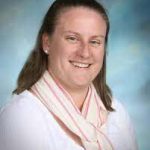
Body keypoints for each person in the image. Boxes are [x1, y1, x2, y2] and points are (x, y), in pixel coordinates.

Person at [0, 0, 138, 150]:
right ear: (47, 43)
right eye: (72, 38)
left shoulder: (117, 113)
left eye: (95, 41)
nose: (85, 53)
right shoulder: (20, 118)